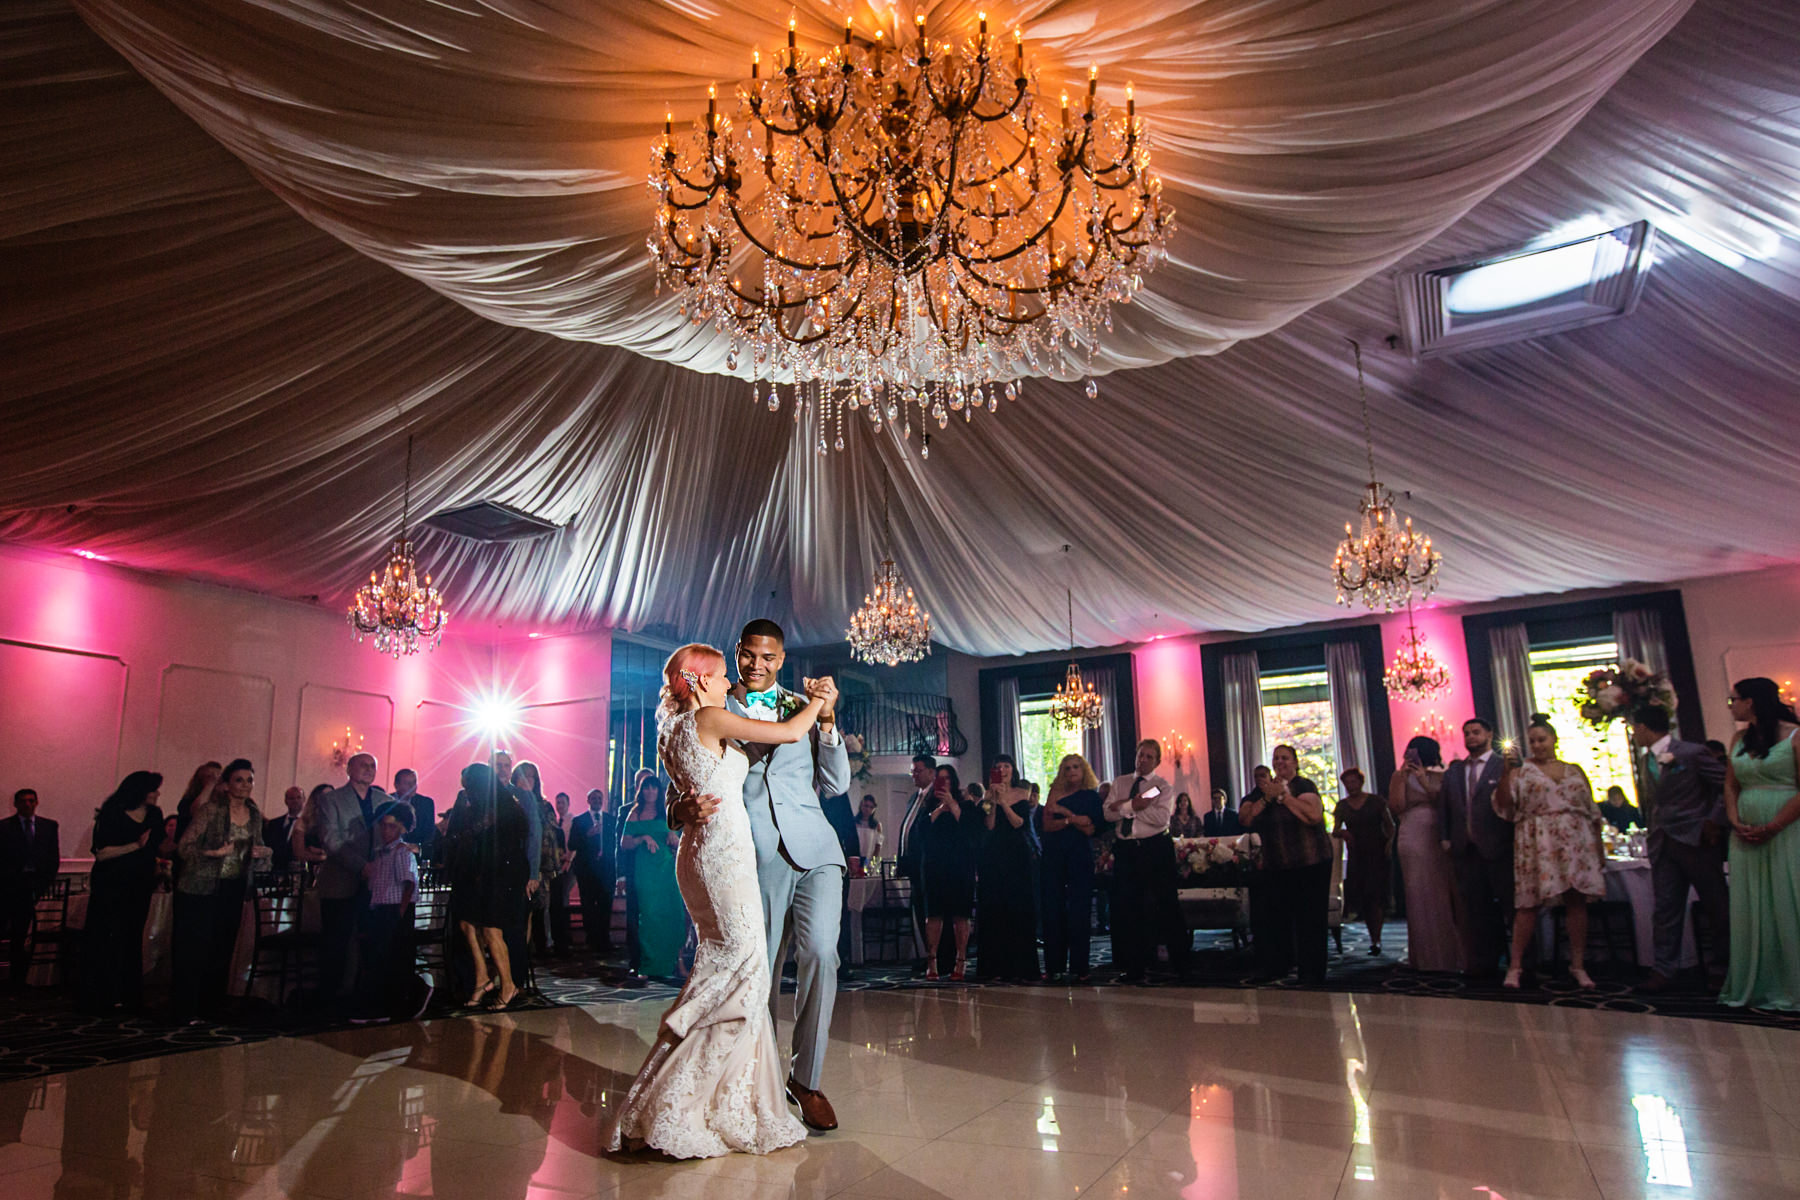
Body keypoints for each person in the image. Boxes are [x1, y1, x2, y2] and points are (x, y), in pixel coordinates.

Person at [604, 641, 827, 1158]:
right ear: (699, 679)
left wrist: (678, 810)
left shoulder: (673, 726)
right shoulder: (709, 716)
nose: (731, 683)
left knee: (735, 967)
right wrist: (817, 699)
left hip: (704, 853)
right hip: (720, 856)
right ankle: (681, 1101)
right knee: (740, 967)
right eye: (724, 675)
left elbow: (680, 792)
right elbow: (792, 731)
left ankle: (729, 1098)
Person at [666, 619, 850, 1134]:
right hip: (753, 856)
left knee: (820, 954)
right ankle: (762, 1079)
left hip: (817, 850)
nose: (756, 665)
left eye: (768, 658)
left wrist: (829, 722)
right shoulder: (714, 706)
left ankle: (806, 1080)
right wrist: (679, 809)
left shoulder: (805, 706)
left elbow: (835, 783)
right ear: (738, 653)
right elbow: (683, 777)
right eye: (749, 655)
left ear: (782, 659)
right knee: (759, 972)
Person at [1494, 715, 1606, 989]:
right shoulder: (1522, 771)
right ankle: (1516, 967)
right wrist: (1506, 772)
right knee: (1528, 903)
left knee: (1576, 900)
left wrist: (1598, 846)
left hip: (1575, 840)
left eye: (1542, 739)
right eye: (1532, 741)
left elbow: (1591, 810)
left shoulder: (1574, 770)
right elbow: (1505, 806)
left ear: (1554, 739)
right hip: (1537, 840)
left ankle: (1577, 965)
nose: (1537, 745)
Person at [1632, 702, 1731, 994]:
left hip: (1696, 839)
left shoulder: (1691, 752)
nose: (1634, 734)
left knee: (1716, 906)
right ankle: (1664, 969)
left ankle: (1725, 967)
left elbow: (1726, 785)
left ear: (1643, 728)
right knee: (1665, 908)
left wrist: (1713, 821)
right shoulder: (1644, 758)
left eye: (1634, 728)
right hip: (1663, 842)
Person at [1721, 678, 1800, 1010]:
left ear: (1751, 701)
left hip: (1787, 828)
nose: (1732, 705)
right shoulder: (1739, 738)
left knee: (1788, 900)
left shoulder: (1795, 735)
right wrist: (1735, 819)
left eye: (1734, 699)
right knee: (1753, 907)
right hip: (1745, 833)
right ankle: (1761, 980)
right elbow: (1730, 785)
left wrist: (1773, 825)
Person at [172, 759, 269, 1021]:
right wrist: (213, 853)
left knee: (223, 947)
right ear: (226, 785)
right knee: (196, 947)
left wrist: (263, 853)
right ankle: (186, 1008)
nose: (245, 785)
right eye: (239, 780)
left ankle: (211, 1006)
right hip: (201, 886)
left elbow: (259, 850)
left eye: (250, 780)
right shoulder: (211, 810)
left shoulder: (255, 814)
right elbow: (184, 847)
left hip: (234, 886)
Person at [440, 762, 530, 1009]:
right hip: (483, 873)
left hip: (501, 875)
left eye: (469, 785)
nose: (466, 790)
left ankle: (508, 984)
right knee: (468, 924)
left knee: (491, 930)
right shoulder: (481, 804)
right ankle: (482, 977)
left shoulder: (504, 807)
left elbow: (507, 843)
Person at [1240, 744, 1333, 985]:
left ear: (1295, 762)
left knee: (1310, 919)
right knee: (1276, 919)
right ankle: (1278, 966)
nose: (1280, 762)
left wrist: (1284, 797)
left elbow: (1313, 816)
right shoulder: (1262, 791)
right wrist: (1267, 798)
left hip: (1310, 862)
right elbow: (1246, 818)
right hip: (1277, 866)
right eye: (1276, 758)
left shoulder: (1303, 786)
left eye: (1285, 758)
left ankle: (1311, 972)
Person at [1103, 739, 1192, 983]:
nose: (1143, 760)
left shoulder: (1161, 786)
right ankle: (1134, 967)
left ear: (1157, 761)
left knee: (1167, 906)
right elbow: (1107, 812)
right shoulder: (1121, 782)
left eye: (1149, 757)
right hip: (1126, 850)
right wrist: (1133, 805)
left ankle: (1182, 965)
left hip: (1155, 849)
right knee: (1128, 909)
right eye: (1140, 755)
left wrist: (1124, 807)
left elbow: (1161, 818)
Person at [82, 772, 165, 1013]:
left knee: (132, 936)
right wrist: (135, 846)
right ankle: (103, 994)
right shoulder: (113, 814)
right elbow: (102, 852)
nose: (157, 794)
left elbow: (157, 847)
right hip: (111, 883)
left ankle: (129, 995)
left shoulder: (155, 815)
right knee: (108, 935)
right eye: (153, 789)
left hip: (139, 883)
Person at [1440, 718, 1515, 979]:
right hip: (1466, 850)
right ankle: (1484, 964)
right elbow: (1446, 809)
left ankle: (1522, 964)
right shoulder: (1454, 771)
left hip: (1500, 847)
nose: (1471, 737)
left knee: (1511, 908)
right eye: (1467, 733)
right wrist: (1446, 837)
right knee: (1476, 911)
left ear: (1489, 734)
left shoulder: (1502, 765)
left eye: (1476, 732)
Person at [312, 752, 386, 1002]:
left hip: (374, 883)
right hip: (340, 880)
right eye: (363, 765)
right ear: (349, 769)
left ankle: (362, 995)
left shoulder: (383, 800)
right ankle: (331, 998)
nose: (368, 769)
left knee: (368, 941)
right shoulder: (331, 799)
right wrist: (360, 866)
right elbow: (330, 839)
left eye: (372, 765)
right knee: (336, 941)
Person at [1388, 736, 1462, 972]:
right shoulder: (1399, 775)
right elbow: (1396, 807)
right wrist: (1403, 776)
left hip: (1440, 833)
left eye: (1415, 752)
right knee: (1418, 891)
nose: (1410, 755)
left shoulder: (1444, 773)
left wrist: (1423, 780)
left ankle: (1452, 953)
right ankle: (1425, 956)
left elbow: (1447, 803)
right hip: (1412, 834)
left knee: (1445, 891)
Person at [352, 800, 420, 1022]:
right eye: (382, 825)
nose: (385, 830)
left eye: (391, 826)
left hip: (395, 909)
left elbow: (409, 882)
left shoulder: (401, 852)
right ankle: (380, 1005)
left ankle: (391, 1006)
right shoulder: (381, 853)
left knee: (391, 957)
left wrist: (400, 911)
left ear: (401, 827)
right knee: (379, 957)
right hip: (381, 908)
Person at [1039, 753, 1104, 983]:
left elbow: (1089, 829)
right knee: (1053, 910)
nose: (1071, 771)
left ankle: (1080, 966)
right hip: (1054, 855)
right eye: (1066, 768)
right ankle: (1054, 965)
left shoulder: (1091, 797)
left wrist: (1065, 814)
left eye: (1076, 767)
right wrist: (1073, 819)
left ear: (1083, 769)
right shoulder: (1055, 792)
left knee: (1079, 910)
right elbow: (1047, 825)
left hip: (1079, 856)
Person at [977, 755, 1040, 983]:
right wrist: (993, 800)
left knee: (1018, 908)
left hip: (1017, 855)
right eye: (998, 766)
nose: (1002, 770)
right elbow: (990, 825)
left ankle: (1021, 966)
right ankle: (996, 966)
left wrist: (1004, 800)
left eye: (1006, 766)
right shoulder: (987, 795)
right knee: (996, 908)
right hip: (994, 856)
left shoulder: (1023, 793)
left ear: (1013, 770)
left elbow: (1018, 823)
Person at [919, 765, 981, 981]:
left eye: (946, 779)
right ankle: (932, 960)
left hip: (960, 867)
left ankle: (961, 960)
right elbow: (921, 833)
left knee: (960, 915)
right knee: (933, 915)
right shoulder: (928, 805)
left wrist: (952, 805)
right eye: (939, 779)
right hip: (935, 867)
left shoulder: (966, 805)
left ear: (953, 782)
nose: (942, 783)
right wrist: (938, 810)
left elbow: (971, 831)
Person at [621, 776, 684, 979]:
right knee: (648, 916)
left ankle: (675, 962)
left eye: (654, 789)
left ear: (659, 792)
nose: (650, 792)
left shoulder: (666, 811)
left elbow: (681, 840)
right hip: (645, 871)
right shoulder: (635, 813)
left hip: (666, 869)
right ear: (641, 790)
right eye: (646, 788)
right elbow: (624, 843)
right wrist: (642, 838)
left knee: (672, 914)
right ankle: (648, 966)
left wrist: (674, 837)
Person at [0, 788, 60, 987]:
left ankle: (19, 979)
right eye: (23, 801)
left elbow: (53, 858)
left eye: (31, 801)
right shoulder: (4, 827)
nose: (28, 804)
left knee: (22, 933)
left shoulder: (49, 826)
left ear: (37, 802)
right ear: (16, 804)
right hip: (9, 887)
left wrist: (43, 884)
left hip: (35, 886)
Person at [1333, 767, 1394, 956]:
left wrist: (1390, 844)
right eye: (1347, 783)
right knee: (1365, 898)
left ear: (1361, 782)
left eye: (1354, 782)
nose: (1351, 786)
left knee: (1376, 896)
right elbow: (1334, 829)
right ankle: (1372, 937)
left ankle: (1377, 938)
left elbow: (1390, 825)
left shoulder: (1376, 801)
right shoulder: (1342, 806)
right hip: (1357, 854)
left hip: (1376, 851)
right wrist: (1344, 833)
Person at [895, 754, 939, 973]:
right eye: (912, 771)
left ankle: (934, 956)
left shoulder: (936, 796)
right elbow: (907, 828)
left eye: (918, 770)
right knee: (919, 911)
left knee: (928, 912)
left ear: (932, 772)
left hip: (928, 863)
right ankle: (926, 954)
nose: (914, 774)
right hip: (913, 863)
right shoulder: (915, 797)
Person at [569, 788, 616, 953]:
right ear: (588, 800)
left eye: (599, 798)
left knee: (605, 905)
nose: (597, 801)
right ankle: (591, 939)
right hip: (586, 871)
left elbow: (615, 844)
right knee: (588, 906)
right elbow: (572, 844)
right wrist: (587, 835)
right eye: (594, 798)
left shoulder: (611, 820)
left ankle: (604, 940)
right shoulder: (579, 821)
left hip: (606, 871)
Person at [546, 791, 576, 957]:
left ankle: (564, 939)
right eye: (557, 803)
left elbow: (572, 845)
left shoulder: (571, 821)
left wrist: (567, 861)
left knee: (561, 902)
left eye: (562, 802)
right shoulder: (555, 825)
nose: (560, 806)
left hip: (566, 867)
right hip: (553, 869)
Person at [170, 762, 221, 844]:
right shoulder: (187, 801)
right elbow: (198, 811)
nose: (215, 779)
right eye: (209, 776)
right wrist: (211, 784)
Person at [391, 769, 436, 861]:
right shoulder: (385, 801)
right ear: (396, 785)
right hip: (389, 853)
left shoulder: (426, 803)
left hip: (414, 856)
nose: (412, 786)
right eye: (407, 783)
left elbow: (430, 832)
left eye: (414, 782)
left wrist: (419, 847)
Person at [264, 786, 305, 872]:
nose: (295, 801)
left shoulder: (310, 824)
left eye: (298, 797)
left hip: (300, 873)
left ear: (304, 799)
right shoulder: (273, 824)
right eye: (291, 798)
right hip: (275, 873)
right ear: (286, 801)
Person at [855, 794, 884, 862]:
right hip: (855, 858)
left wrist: (872, 860)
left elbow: (878, 844)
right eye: (866, 806)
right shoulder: (854, 823)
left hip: (869, 859)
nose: (868, 809)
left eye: (871, 807)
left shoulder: (877, 825)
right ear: (861, 806)